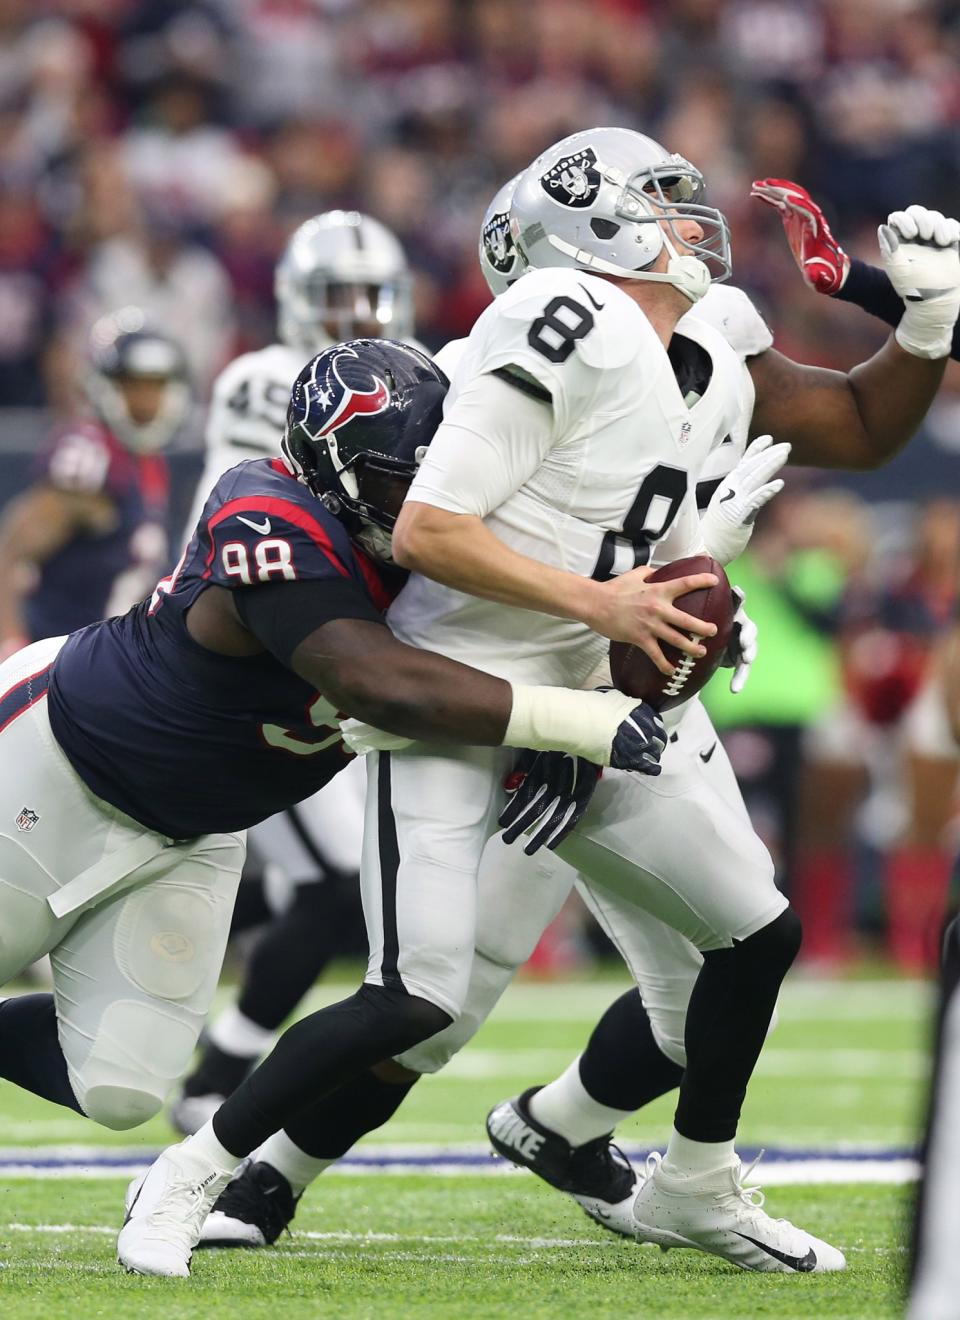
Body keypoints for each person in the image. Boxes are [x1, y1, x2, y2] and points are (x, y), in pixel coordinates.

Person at [186, 140, 960, 1271]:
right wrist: (521, 697)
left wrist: (926, 330)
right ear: (579, 232)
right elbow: (421, 548)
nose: (684, 218)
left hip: (641, 698)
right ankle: (264, 1177)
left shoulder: (718, 341)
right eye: (655, 201)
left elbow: (858, 425)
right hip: (512, 707)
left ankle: (569, 1131)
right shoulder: (509, 355)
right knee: (438, 1006)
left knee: (729, 959)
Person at [0, 336, 669, 1194]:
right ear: (339, 465)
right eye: (403, 477)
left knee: (121, 1089)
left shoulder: (437, 546)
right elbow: (368, 677)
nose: (426, 497)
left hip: (194, 831)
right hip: (57, 762)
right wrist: (575, 719)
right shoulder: (264, 504)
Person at [172, 209, 420, 1135]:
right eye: (335, 296)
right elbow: (256, 520)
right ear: (293, 301)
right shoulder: (266, 380)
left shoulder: (414, 372)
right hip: (270, 644)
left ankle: (216, 1073)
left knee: (316, 887)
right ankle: (216, 1079)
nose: (356, 313)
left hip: (337, 656)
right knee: (326, 885)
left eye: (371, 295)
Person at [0, 310, 188, 656]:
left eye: (157, 385)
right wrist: (11, 645)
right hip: (58, 663)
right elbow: (10, 551)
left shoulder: (148, 460)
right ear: (107, 385)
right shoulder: (93, 456)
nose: (147, 400)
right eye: (135, 385)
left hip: (106, 665)